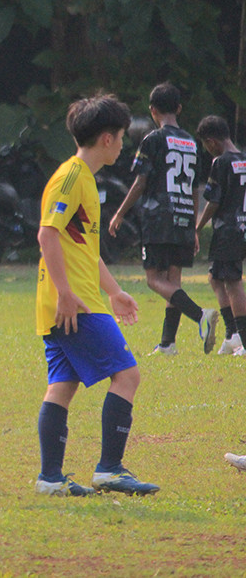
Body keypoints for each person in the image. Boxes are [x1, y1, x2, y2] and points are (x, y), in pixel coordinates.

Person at [33, 94, 159, 497]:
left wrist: (116, 291)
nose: (123, 145)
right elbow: (47, 234)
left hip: (74, 299)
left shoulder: (83, 177)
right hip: (76, 305)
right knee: (128, 375)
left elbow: (83, 247)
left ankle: (50, 479)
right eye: (122, 137)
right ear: (107, 138)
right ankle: (109, 469)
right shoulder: (72, 177)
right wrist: (67, 294)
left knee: (62, 386)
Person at [108, 83, 218, 355]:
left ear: (152, 110)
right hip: (183, 214)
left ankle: (200, 315)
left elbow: (140, 182)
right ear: (179, 109)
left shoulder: (153, 140)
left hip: (159, 217)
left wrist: (119, 213)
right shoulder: (192, 143)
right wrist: (193, 225)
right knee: (173, 280)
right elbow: (194, 187)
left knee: (154, 279)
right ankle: (168, 344)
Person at [193, 116, 246, 356]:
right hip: (242, 226)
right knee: (215, 278)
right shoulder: (243, 159)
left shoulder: (220, 161)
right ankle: (232, 333)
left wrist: (197, 227)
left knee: (233, 283)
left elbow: (213, 201)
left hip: (228, 229)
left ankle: (244, 341)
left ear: (211, 142)